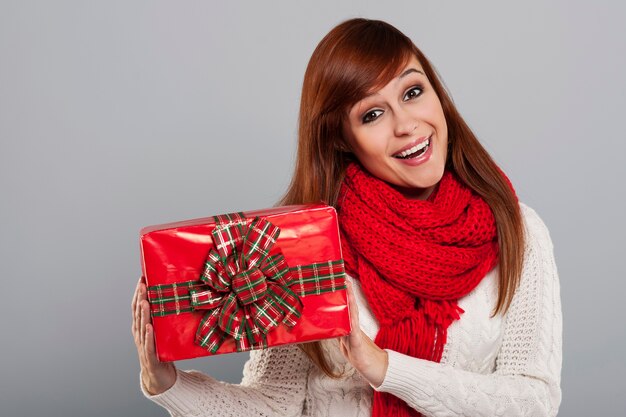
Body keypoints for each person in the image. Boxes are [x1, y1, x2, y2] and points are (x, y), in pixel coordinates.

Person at [131, 18, 562, 417]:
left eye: (412, 92)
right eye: (372, 115)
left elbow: (535, 400)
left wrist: (386, 368)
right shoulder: (305, 245)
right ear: (341, 139)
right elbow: (273, 406)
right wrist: (169, 384)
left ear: (437, 95)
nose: (407, 124)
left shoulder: (515, 229)